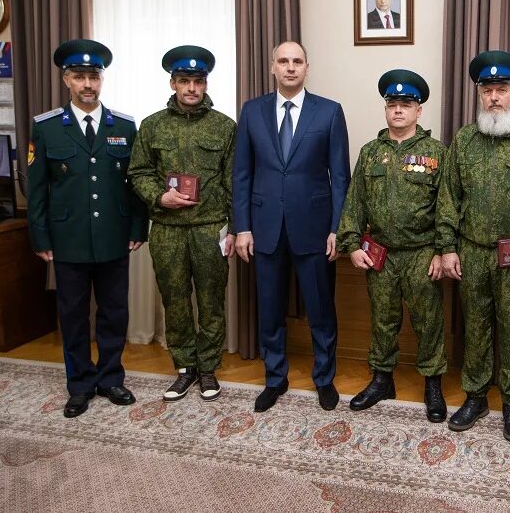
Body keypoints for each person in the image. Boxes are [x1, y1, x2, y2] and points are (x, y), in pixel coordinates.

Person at [436, 50, 510, 442]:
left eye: (502, 89)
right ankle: (475, 396)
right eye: (487, 89)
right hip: (471, 251)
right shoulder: (465, 141)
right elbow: (448, 198)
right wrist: (447, 247)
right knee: (474, 326)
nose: (494, 97)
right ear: (479, 93)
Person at [26, 39, 148, 418]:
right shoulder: (46, 128)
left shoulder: (125, 126)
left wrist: (139, 227)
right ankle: (79, 384)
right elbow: (37, 188)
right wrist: (40, 236)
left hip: (114, 237)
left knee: (114, 313)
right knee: (74, 316)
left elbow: (136, 183)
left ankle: (111, 377)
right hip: (68, 240)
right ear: (66, 80)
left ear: (102, 79)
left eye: (93, 76)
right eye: (79, 76)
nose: (87, 84)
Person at [233, 41, 351, 412]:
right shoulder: (251, 112)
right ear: (272, 67)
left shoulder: (329, 112)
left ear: (307, 67)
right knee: (269, 308)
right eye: (283, 61)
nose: (290, 67)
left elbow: (341, 178)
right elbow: (241, 174)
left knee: (321, 309)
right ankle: (274, 378)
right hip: (264, 227)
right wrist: (243, 227)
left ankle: (324, 379)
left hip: (315, 229)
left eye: (297, 61)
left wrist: (337, 227)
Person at [336, 69, 448, 422]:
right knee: (382, 320)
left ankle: (432, 383)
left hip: (422, 253)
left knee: (428, 321)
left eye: (406, 104)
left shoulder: (435, 153)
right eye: (392, 104)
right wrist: (352, 244)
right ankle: (382, 379)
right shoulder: (370, 153)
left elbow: (447, 205)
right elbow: (355, 202)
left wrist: (442, 250)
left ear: (419, 111)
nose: (398, 110)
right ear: (386, 110)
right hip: (379, 252)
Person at [127, 45, 236, 403]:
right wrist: (160, 196)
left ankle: (208, 369)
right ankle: (185, 368)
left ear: (206, 84)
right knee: (174, 300)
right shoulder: (152, 126)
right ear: (173, 83)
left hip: (210, 228)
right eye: (185, 81)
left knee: (211, 301)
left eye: (198, 81)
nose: (192, 88)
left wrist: (235, 228)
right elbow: (138, 172)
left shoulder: (224, 127)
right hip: (168, 229)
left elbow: (235, 180)